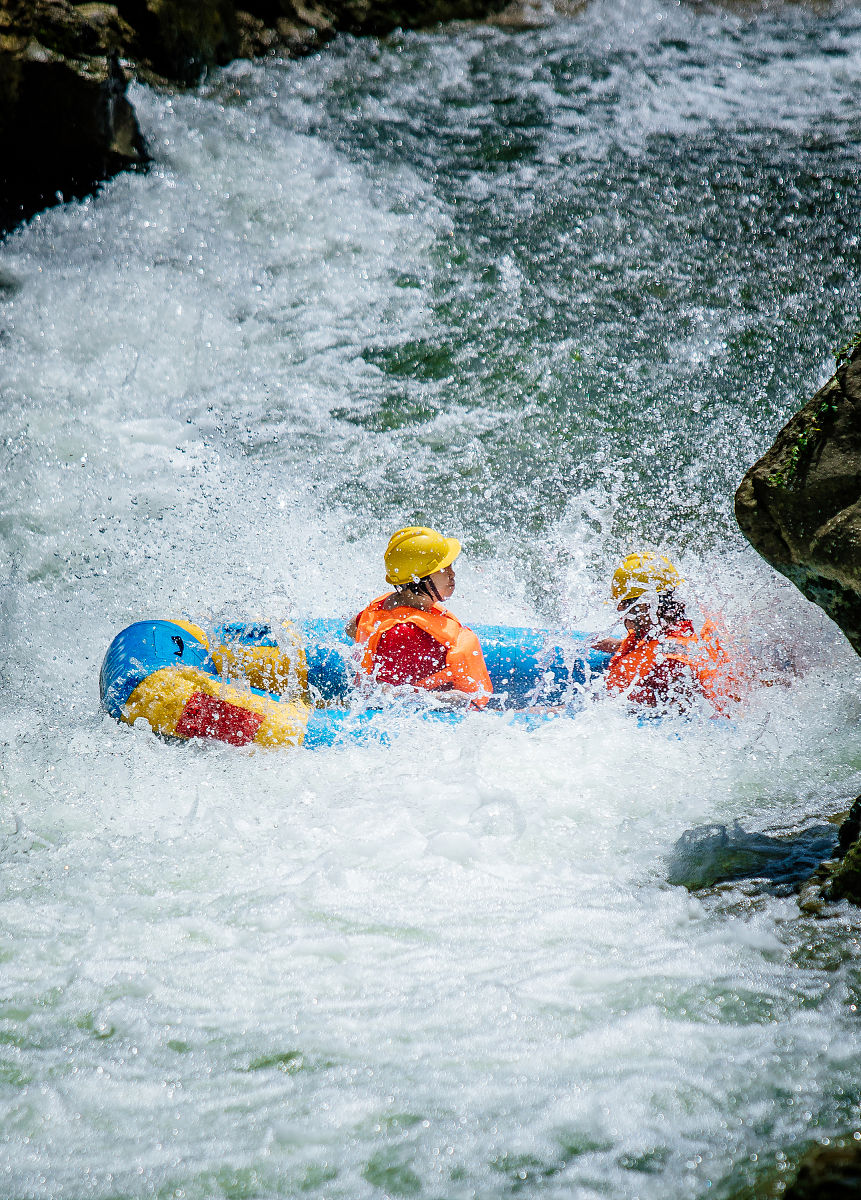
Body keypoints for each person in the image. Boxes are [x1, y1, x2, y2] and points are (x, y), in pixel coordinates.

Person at [346, 526, 493, 708]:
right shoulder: (405, 634)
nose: (452, 574)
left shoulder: (391, 604)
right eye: (444, 568)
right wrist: (446, 699)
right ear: (418, 579)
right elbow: (388, 697)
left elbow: (352, 627)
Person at [594, 552, 741, 715]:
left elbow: (682, 709)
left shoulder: (668, 664)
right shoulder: (683, 632)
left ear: (645, 606)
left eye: (624, 603)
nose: (619, 609)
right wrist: (624, 646)